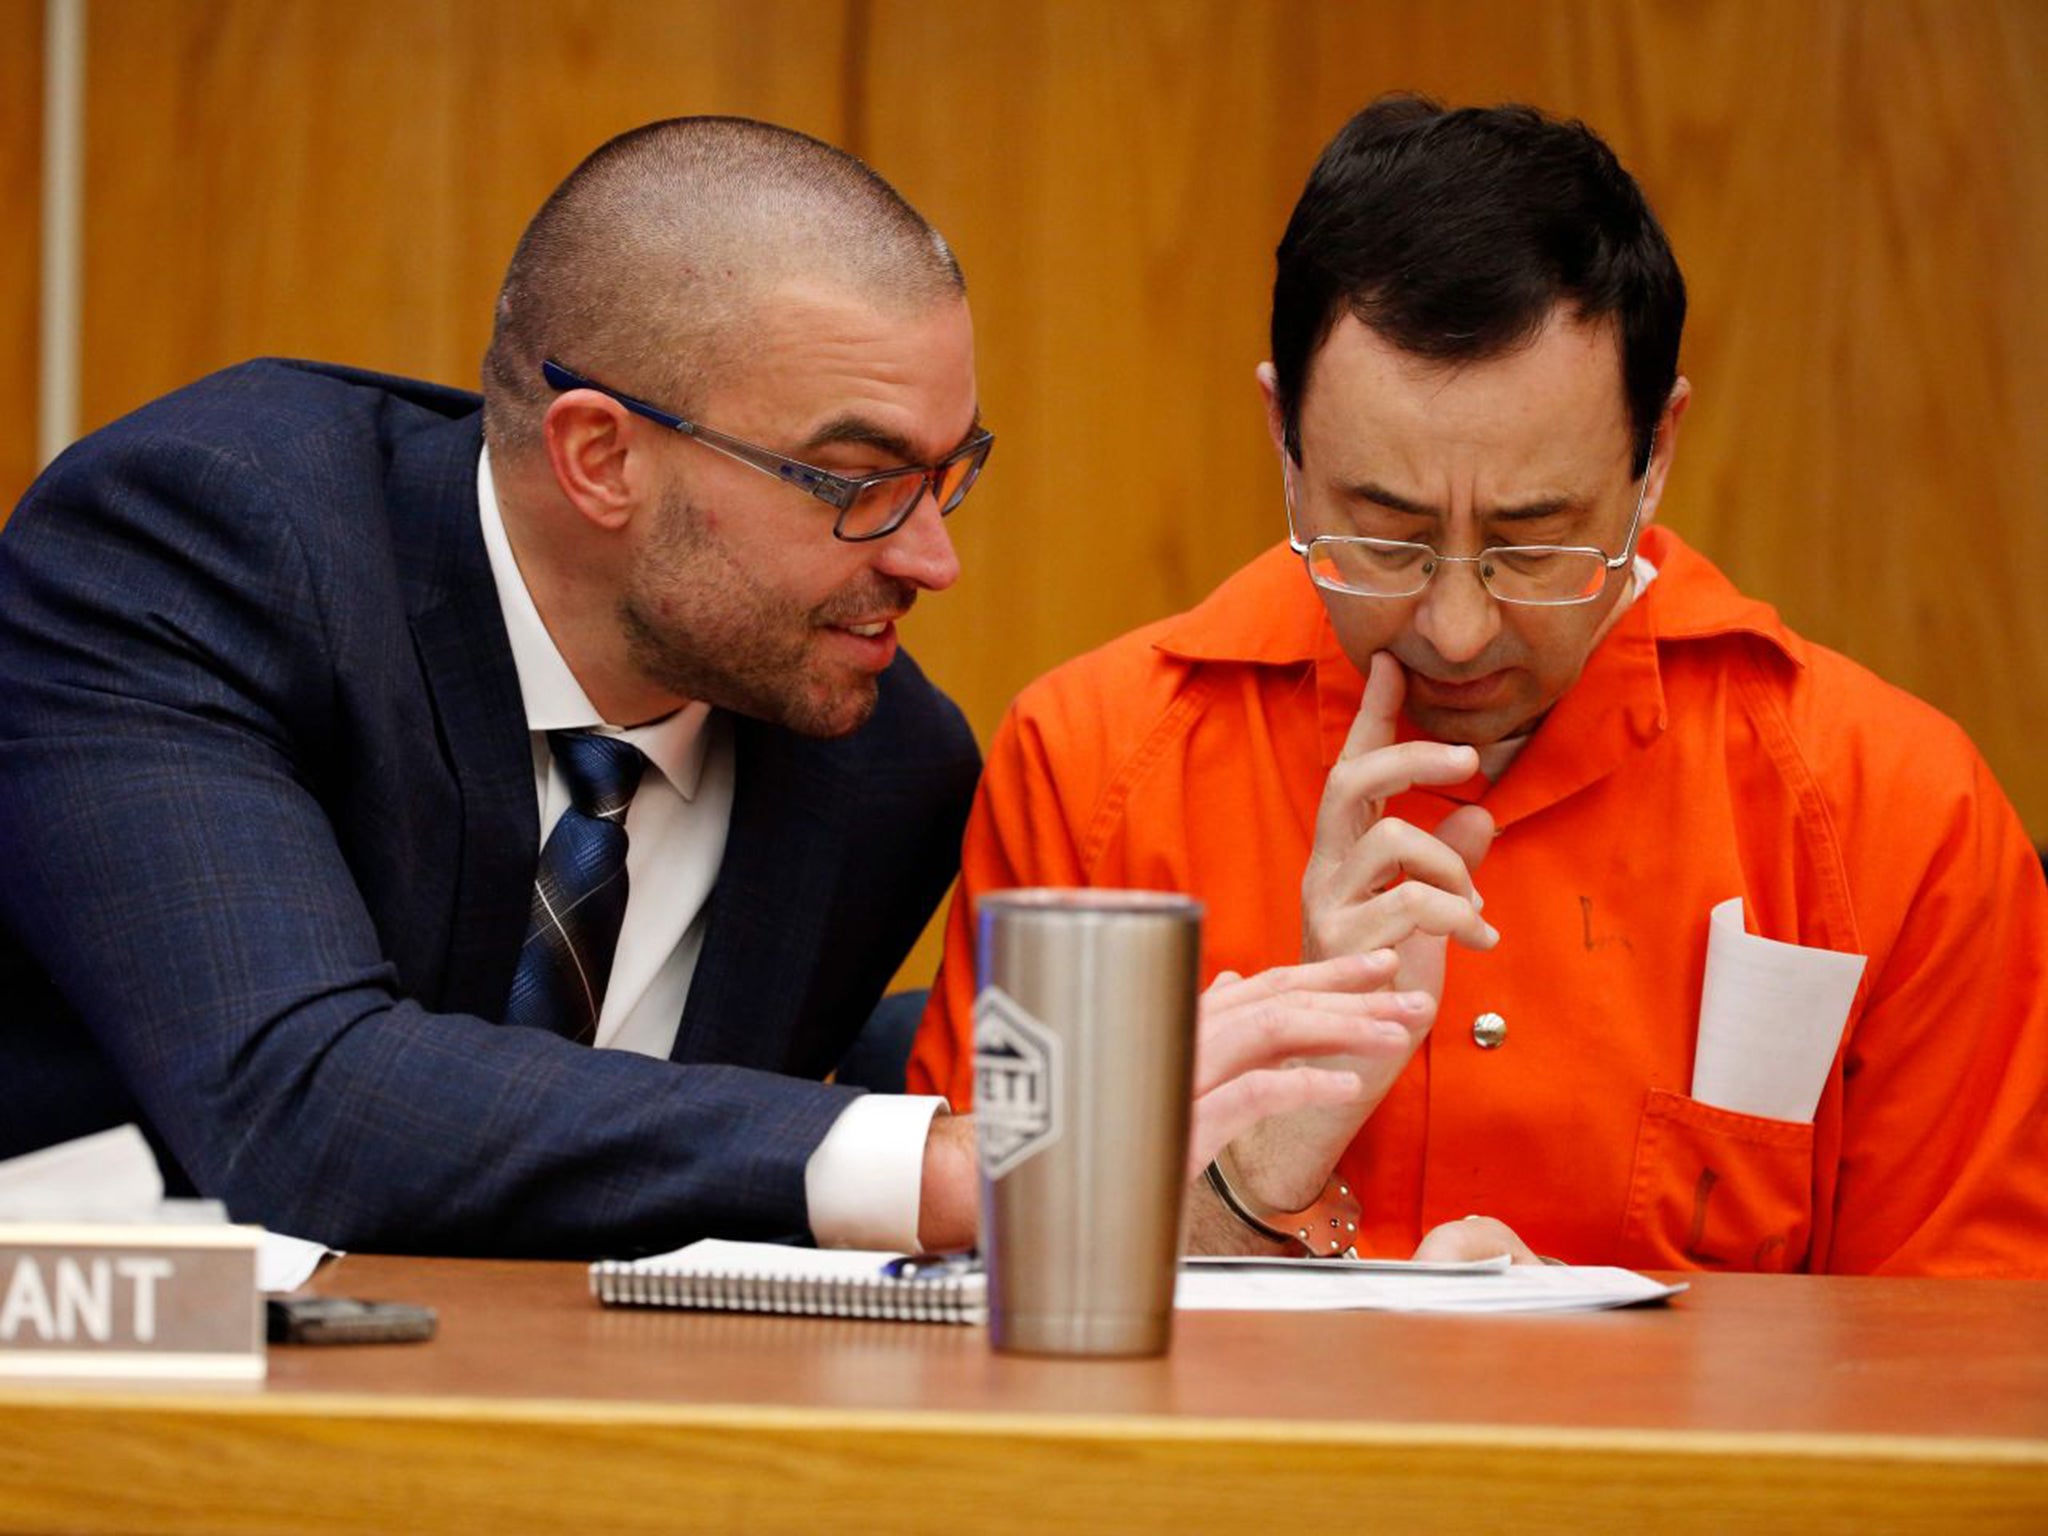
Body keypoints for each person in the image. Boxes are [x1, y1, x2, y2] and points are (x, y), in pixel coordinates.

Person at [0, 116, 1403, 1259]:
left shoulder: (883, 771)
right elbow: (296, 1103)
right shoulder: (205, 547)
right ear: (601, 456)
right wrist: (954, 1167)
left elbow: (682, 1128)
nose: (935, 558)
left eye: (951, 472)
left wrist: (1221, 1069)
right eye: (858, 484)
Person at [911, 96, 2048, 1276]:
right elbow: (963, 1314)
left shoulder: (1892, 809)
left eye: (1532, 540)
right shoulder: (1089, 762)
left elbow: (1968, 1375)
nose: (1454, 630)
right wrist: (1253, 1171)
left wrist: (1620, 1377)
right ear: (1283, 444)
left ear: (1653, 455)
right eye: (1387, 533)